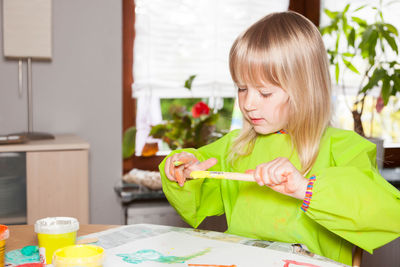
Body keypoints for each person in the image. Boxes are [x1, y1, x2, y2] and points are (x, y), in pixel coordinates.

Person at [159, 11, 400, 265]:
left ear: (304, 91)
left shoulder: (343, 147)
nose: (248, 103)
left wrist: (306, 188)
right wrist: (186, 171)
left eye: (264, 93)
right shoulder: (236, 146)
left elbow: (384, 213)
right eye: (242, 88)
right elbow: (201, 187)